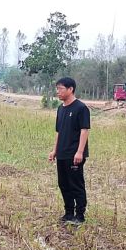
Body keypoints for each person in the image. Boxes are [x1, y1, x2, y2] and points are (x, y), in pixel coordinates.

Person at [48, 77, 91, 224]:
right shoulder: (61, 108)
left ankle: (80, 215)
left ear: (70, 89)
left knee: (76, 184)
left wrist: (80, 152)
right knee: (63, 183)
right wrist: (54, 150)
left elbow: (84, 131)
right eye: (57, 89)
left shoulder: (81, 108)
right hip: (62, 153)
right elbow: (59, 131)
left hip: (74, 154)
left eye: (60, 89)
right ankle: (68, 212)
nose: (58, 92)